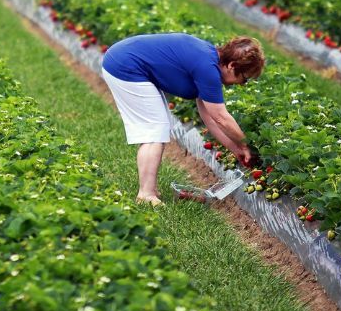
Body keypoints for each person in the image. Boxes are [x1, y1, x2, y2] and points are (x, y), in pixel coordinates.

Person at [101, 33, 265, 205]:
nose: (242, 84)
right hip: (126, 66)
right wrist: (245, 144)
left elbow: (209, 116)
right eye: (245, 79)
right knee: (154, 131)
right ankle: (146, 194)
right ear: (232, 66)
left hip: (123, 59)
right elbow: (221, 117)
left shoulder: (209, 61)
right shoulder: (208, 68)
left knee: (156, 129)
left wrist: (235, 148)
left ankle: (149, 189)